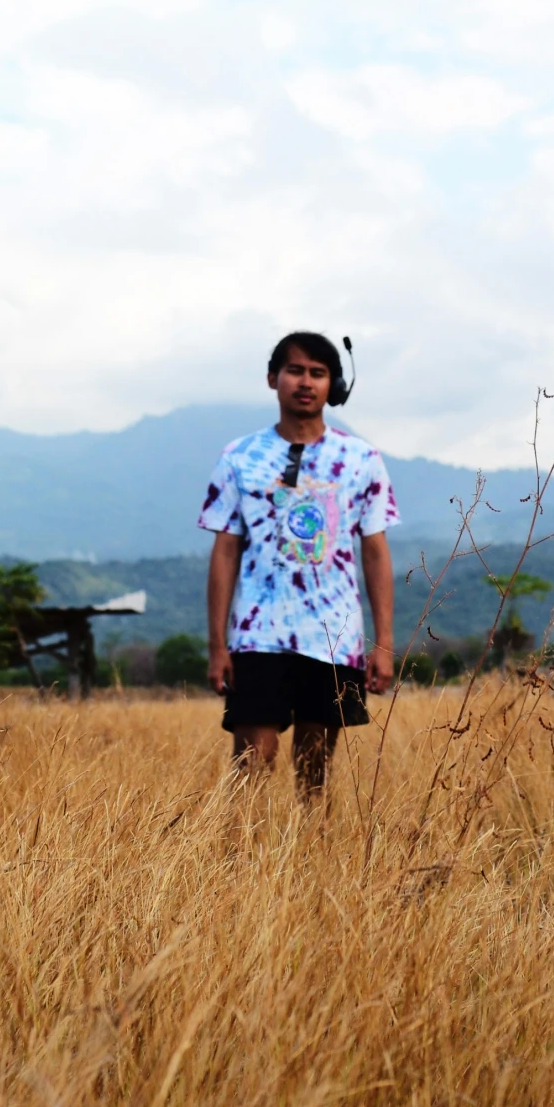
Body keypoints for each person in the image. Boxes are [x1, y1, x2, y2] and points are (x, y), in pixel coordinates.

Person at [199, 331, 400, 795]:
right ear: (273, 379)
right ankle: (235, 864)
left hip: (333, 633)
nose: (305, 382)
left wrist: (383, 642)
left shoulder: (360, 459)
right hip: (257, 631)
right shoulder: (240, 457)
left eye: (318, 372)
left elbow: (375, 550)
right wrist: (217, 644)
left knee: (315, 770)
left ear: (333, 385)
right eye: (295, 370)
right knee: (253, 760)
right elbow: (225, 550)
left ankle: (312, 861)